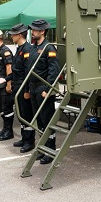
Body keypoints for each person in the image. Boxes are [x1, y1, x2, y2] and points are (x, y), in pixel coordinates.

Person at [27, 19, 59, 164]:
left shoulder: (49, 48)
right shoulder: (33, 48)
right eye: (32, 29)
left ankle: (50, 151)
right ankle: (42, 148)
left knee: (47, 121)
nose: (32, 32)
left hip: (43, 88)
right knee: (39, 120)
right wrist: (28, 89)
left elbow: (53, 71)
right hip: (33, 88)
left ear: (42, 31)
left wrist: (48, 89)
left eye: (35, 30)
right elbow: (29, 70)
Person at [5, 23, 35, 152]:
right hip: (18, 85)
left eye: (13, 35)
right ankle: (24, 138)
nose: (11, 37)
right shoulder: (20, 48)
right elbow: (16, 70)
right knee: (21, 113)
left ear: (18, 35)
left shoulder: (27, 49)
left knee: (27, 115)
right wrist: (6, 80)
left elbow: (28, 72)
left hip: (24, 86)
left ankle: (29, 141)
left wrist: (27, 90)